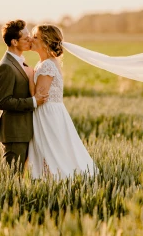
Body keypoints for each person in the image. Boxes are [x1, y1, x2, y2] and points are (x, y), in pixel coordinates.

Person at [27, 24, 97, 179]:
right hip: (52, 111)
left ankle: (59, 179)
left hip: (47, 112)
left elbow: (39, 95)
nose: (31, 39)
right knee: (55, 148)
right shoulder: (44, 63)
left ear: (45, 42)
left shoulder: (46, 65)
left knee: (52, 149)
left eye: (35, 37)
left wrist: (27, 76)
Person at [0, 20, 48, 172]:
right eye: (26, 38)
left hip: (24, 131)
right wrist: (33, 101)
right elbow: (4, 102)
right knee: (12, 178)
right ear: (14, 42)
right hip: (15, 133)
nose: (30, 39)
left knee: (20, 178)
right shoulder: (6, 66)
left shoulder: (19, 62)